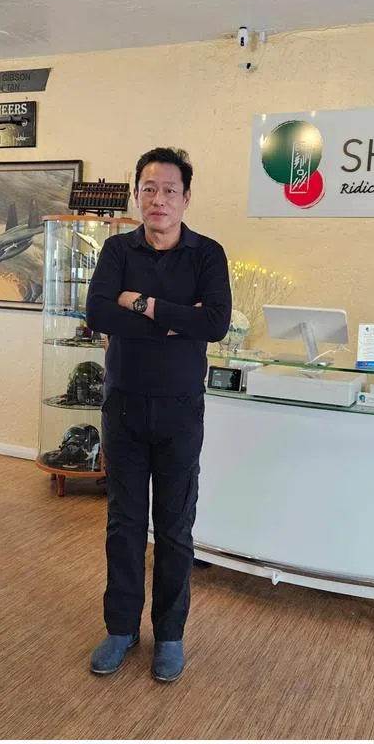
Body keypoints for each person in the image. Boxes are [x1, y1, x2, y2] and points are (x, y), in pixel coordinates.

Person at [84, 147, 231, 682]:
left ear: (186, 198)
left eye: (170, 189)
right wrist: (174, 319)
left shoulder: (207, 255)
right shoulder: (117, 249)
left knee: (174, 528)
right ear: (137, 193)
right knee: (123, 524)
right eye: (149, 188)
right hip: (122, 406)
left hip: (179, 409)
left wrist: (139, 305)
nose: (159, 198)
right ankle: (121, 628)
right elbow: (98, 312)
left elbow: (214, 323)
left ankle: (169, 635)